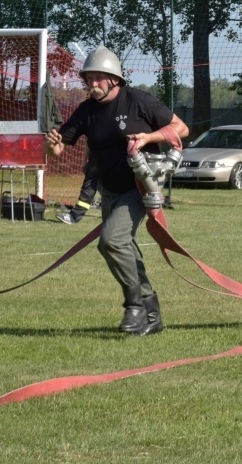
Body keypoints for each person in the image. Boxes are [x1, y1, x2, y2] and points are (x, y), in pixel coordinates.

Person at [44, 45, 190, 335]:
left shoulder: (138, 101)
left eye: (99, 78)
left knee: (111, 241)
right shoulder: (86, 110)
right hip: (109, 191)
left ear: (114, 79)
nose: (92, 84)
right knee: (124, 248)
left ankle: (134, 306)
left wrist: (149, 136)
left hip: (139, 187)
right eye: (89, 78)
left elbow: (181, 128)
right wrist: (52, 144)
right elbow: (61, 146)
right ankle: (151, 314)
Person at [56, 154, 98, 224]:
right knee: (88, 188)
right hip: (96, 158)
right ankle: (74, 216)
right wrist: (84, 160)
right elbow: (87, 143)